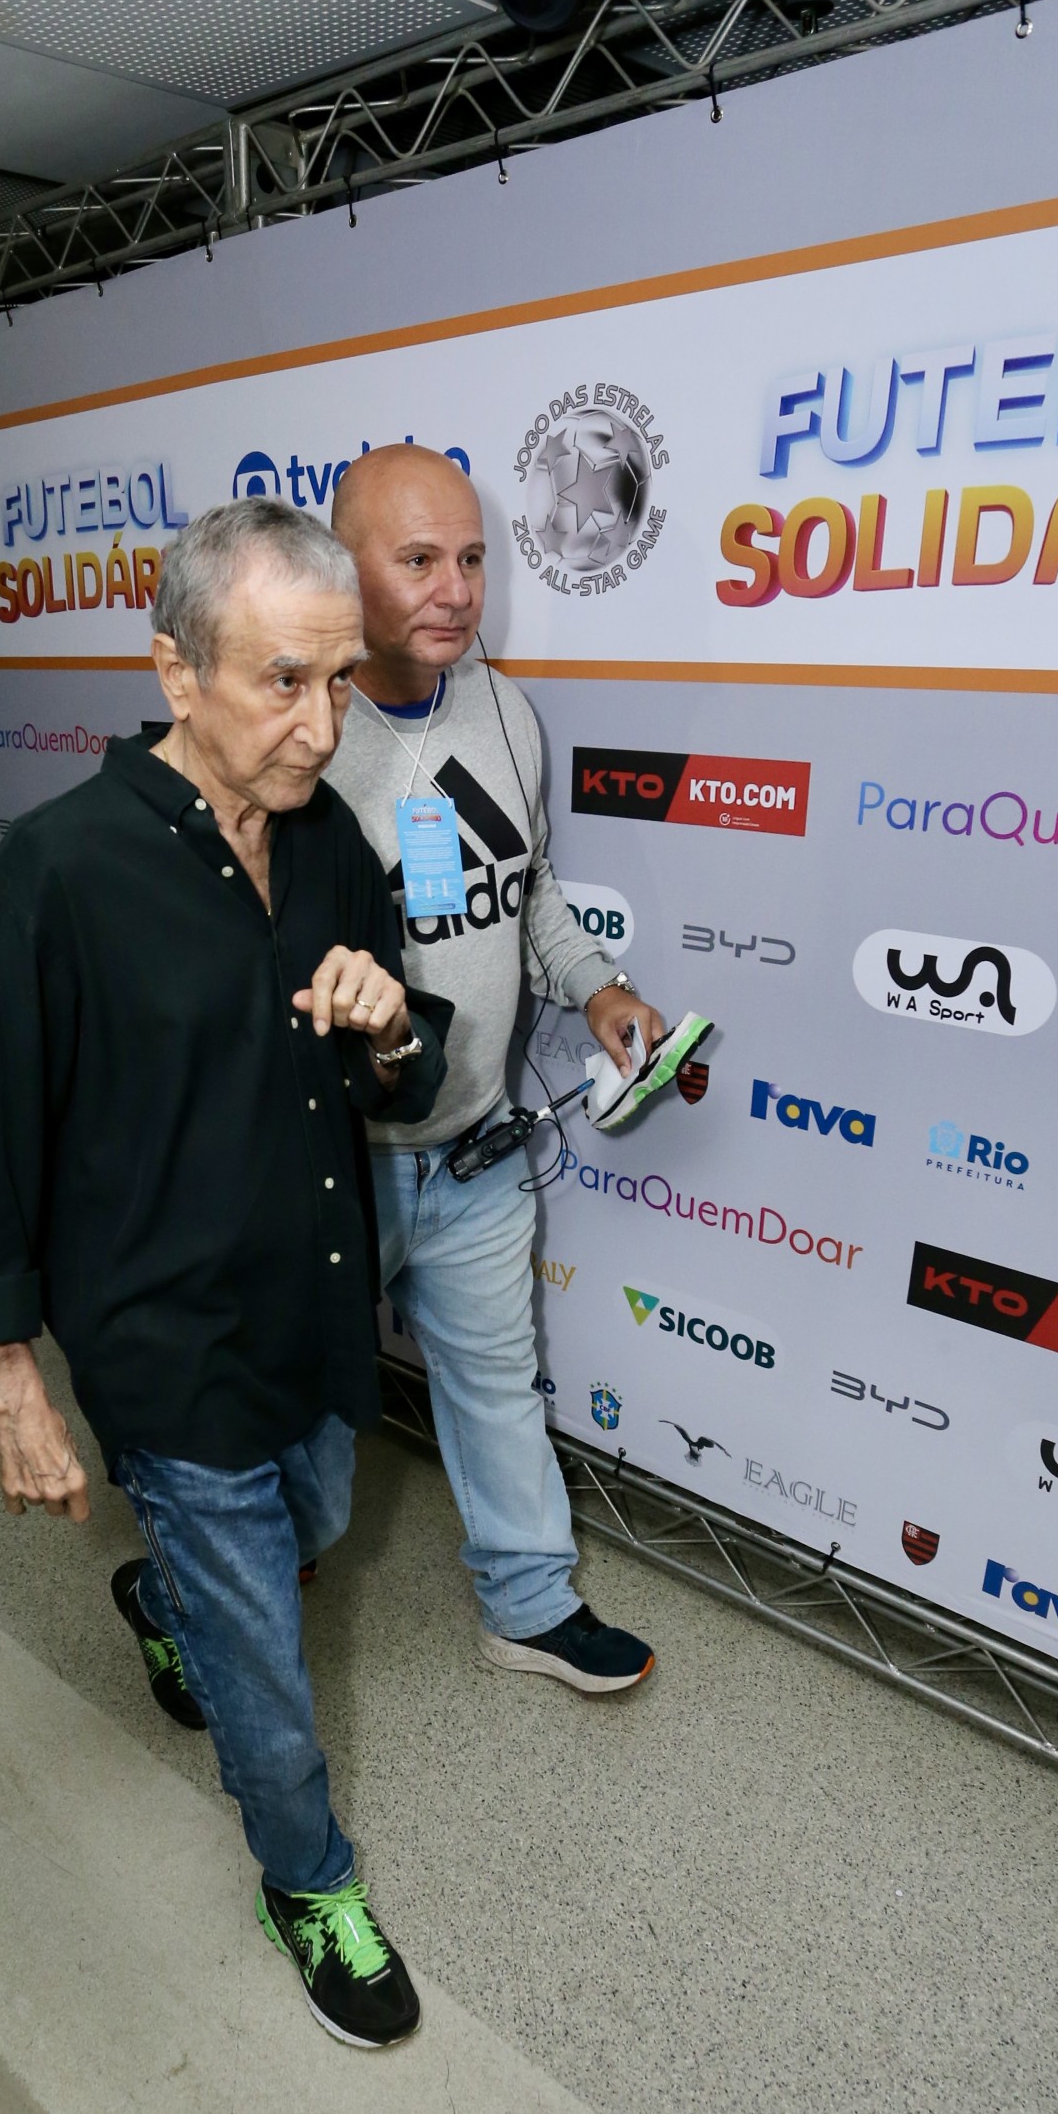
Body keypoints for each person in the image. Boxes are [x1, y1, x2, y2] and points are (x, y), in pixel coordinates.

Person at [0, 500, 450, 2050]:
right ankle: (310, 1881)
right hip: (164, 1347)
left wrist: (394, 1028)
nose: (324, 722)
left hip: (313, 1306)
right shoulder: (60, 874)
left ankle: (165, 1597)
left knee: (319, 1525)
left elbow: (395, 1086)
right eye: (284, 682)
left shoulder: (334, 846)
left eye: (342, 681)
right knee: (268, 1675)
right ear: (173, 670)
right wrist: (12, 1379)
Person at [328, 443, 666, 1693]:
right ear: (340, 569)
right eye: (418, 560)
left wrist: (601, 987)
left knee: (497, 1388)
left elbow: (529, 898)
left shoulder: (506, 710)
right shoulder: (301, 734)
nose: (455, 589)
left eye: (470, 558)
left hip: (472, 1148)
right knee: (299, 1423)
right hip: (331, 1163)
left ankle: (527, 1606)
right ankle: (211, 1577)